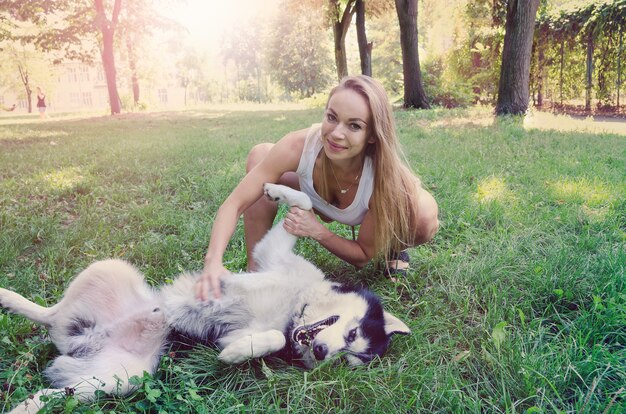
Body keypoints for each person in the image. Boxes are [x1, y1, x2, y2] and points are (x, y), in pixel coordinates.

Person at [196, 75, 439, 301]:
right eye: (331, 117)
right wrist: (213, 262)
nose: (336, 134)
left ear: (372, 135)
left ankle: (393, 249)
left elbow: (362, 256)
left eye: (354, 126)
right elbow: (234, 203)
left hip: (370, 212)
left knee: (423, 214)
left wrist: (317, 231)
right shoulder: (299, 145)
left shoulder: (385, 181)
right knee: (260, 155)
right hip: (314, 191)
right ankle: (256, 271)